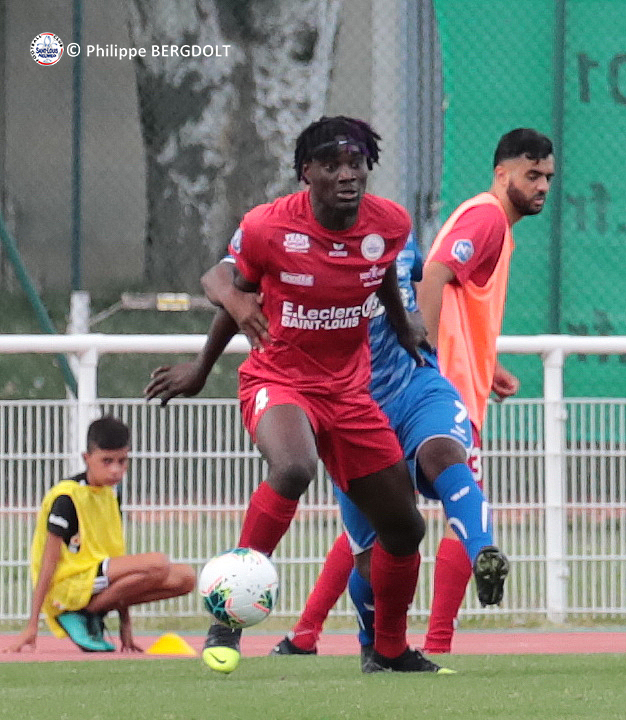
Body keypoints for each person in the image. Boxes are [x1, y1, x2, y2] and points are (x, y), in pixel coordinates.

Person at [145, 115, 450, 675]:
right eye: (332, 165)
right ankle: (227, 621)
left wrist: (403, 322)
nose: (347, 174)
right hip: (278, 379)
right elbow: (221, 283)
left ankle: (388, 652)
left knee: (406, 528)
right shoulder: (269, 226)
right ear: (307, 171)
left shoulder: (391, 222)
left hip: (349, 392)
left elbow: (380, 269)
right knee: (293, 468)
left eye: (356, 163)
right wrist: (205, 362)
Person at [269, 231, 508, 666]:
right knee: (372, 555)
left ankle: (483, 552)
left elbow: (421, 279)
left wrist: (420, 329)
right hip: (351, 406)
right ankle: (374, 644)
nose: (350, 193)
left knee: (443, 454)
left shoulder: (394, 230)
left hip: (417, 382)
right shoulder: (296, 246)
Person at [417, 127, 555, 653]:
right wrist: (429, 364)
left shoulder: (492, 222)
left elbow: (458, 296)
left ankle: (306, 634)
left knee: (382, 516)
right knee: (466, 514)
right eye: (532, 174)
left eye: (547, 177)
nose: (542, 186)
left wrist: (487, 363)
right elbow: (433, 276)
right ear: (502, 173)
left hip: (450, 384)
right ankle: (437, 644)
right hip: (445, 395)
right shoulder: (488, 217)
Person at [2, 416, 195, 654]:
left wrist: (126, 625)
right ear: (86, 458)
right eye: (106, 461)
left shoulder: (111, 493)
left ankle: (89, 612)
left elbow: (118, 555)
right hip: (67, 587)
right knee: (159, 563)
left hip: (98, 578)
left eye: (122, 461)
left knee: (185, 578)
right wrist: (32, 625)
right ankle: (74, 612)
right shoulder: (67, 497)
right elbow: (47, 562)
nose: (115, 470)